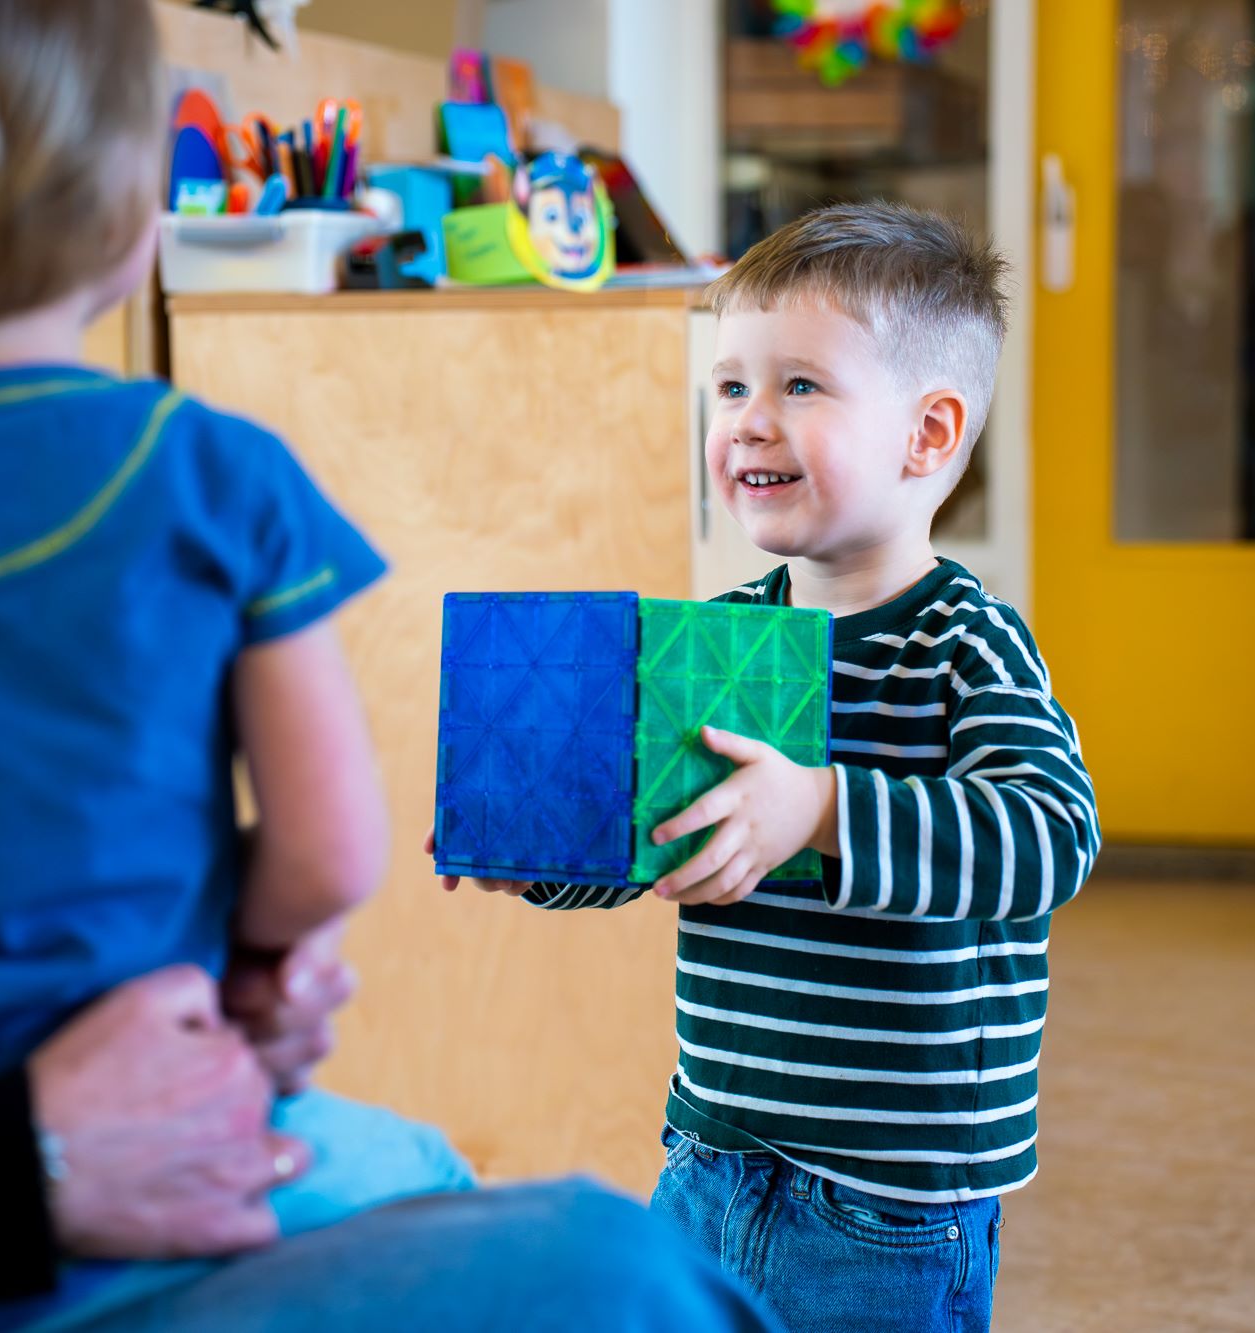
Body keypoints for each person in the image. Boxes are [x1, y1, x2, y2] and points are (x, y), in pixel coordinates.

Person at [0, 4, 784, 1330]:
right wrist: (231, 938)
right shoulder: (209, 475)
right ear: (135, 211)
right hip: (114, 1164)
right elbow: (328, 855)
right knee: (592, 1262)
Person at [442, 202, 1101, 1333]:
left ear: (927, 434)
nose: (747, 421)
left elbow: (1046, 835)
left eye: (798, 386)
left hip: (884, 1198)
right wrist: (540, 852)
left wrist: (823, 807)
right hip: (711, 1146)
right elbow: (670, 831)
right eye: (730, 386)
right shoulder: (725, 637)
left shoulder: (965, 643)